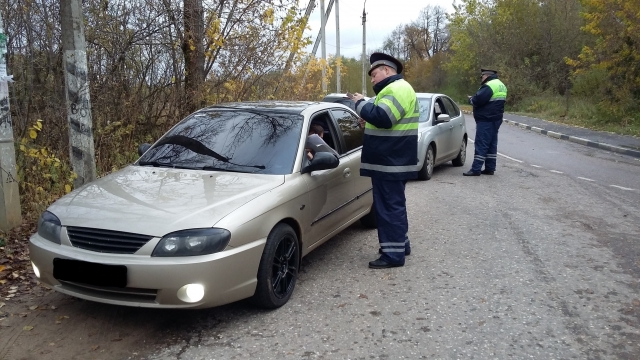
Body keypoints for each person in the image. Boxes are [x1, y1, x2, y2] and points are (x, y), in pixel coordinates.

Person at [348, 52, 419, 269]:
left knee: (388, 208)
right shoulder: (398, 89)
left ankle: (392, 255)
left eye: (374, 75)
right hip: (393, 160)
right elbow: (384, 121)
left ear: (387, 70)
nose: (372, 80)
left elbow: (385, 118)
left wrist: (360, 104)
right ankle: (400, 245)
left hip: (390, 162)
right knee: (394, 206)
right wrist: (366, 122)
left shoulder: (396, 89)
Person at [463, 68, 508, 176]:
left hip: (486, 119)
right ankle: (490, 168)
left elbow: (478, 100)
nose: (481, 78)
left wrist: (471, 99)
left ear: (486, 76)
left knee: (481, 143)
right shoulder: (501, 85)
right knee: (492, 144)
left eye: (482, 76)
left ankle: (476, 169)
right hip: (496, 119)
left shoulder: (489, 85)